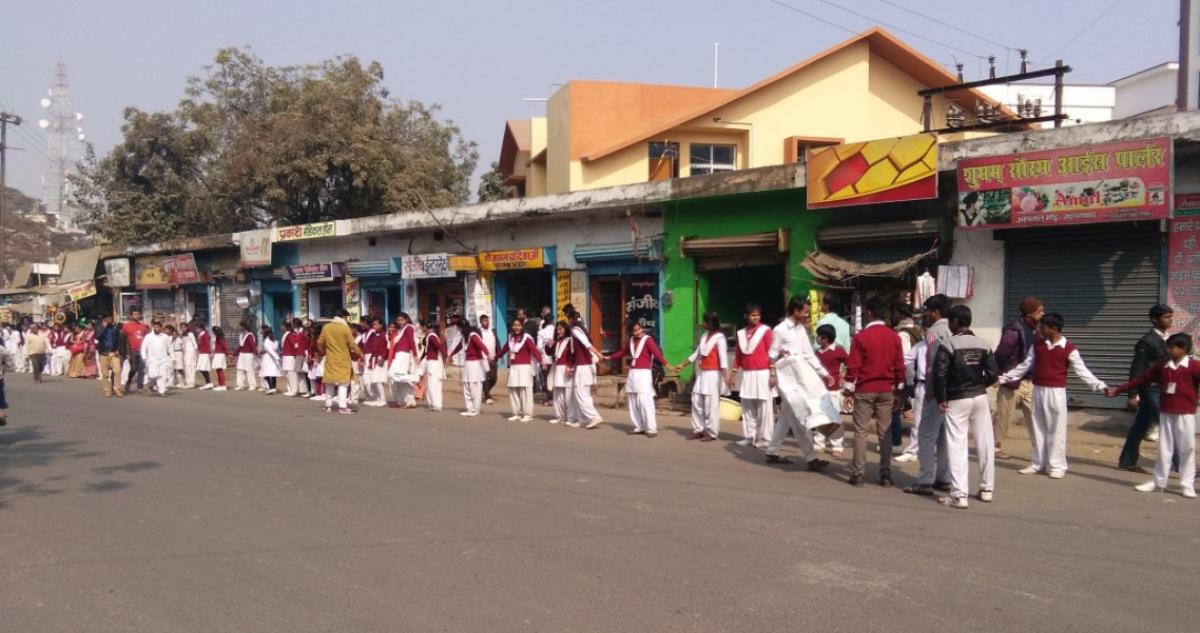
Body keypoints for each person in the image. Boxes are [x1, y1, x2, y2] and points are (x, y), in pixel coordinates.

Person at [998, 313, 1107, 479]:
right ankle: (1038, 462)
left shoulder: (1069, 349)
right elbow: (1025, 366)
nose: (1040, 330)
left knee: (1056, 429)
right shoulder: (1038, 346)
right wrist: (1005, 377)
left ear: (1054, 329)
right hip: (1038, 390)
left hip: (1056, 392)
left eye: (1044, 327)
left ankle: (1057, 465)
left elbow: (1082, 371)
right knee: (1038, 427)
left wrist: (1100, 386)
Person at [1106, 332, 1197, 499]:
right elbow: (1142, 379)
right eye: (1167, 347)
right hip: (1166, 411)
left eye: (1171, 347)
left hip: (1185, 413)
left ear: (1183, 349)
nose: (1168, 350)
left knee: (1187, 448)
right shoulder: (1163, 365)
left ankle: (1187, 484)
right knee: (1164, 447)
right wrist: (1119, 390)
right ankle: (1158, 481)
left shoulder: (1194, 366)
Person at [931, 305, 998, 508]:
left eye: (950, 321)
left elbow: (939, 373)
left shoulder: (948, 344)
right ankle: (987, 488)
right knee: (985, 443)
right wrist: (980, 386)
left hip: (956, 399)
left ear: (955, 322)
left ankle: (959, 495)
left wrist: (941, 399)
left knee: (957, 445)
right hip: (979, 397)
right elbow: (994, 374)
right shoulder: (983, 344)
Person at [764, 296, 832, 471]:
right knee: (799, 416)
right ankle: (811, 458)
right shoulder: (780, 330)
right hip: (786, 378)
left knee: (787, 415)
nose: (806, 315)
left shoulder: (801, 329)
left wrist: (824, 373)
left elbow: (809, 354)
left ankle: (771, 451)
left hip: (801, 376)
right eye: (804, 311)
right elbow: (771, 354)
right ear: (795, 311)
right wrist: (773, 374)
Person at [843, 297, 905, 487]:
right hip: (886, 389)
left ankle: (858, 474)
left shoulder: (861, 337)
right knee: (884, 433)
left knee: (861, 432)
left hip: (864, 389)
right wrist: (899, 388)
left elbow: (853, 366)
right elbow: (899, 366)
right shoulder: (894, 336)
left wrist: (847, 390)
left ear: (869, 314)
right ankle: (885, 474)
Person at [905, 294, 954, 496]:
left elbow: (935, 365)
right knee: (944, 437)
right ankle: (943, 478)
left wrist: (933, 393)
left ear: (935, 312)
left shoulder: (934, 333)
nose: (925, 314)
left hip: (935, 390)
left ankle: (924, 480)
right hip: (952, 391)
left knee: (925, 435)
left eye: (927, 310)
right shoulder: (954, 329)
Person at [1117, 304, 1173, 473]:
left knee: (1141, 426)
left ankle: (1127, 461)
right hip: (1150, 390)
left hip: (1162, 389)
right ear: (1155, 320)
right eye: (1166, 317)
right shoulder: (1147, 342)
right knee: (1168, 425)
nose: (1170, 319)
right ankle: (1185, 466)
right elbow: (1137, 369)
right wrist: (1132, 395)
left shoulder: (1167, 340)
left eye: (1171, 316)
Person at [993, 297, 1043, 461]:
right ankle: (995, 447)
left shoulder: (1038, 330)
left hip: (1031, 381)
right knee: (1004, 416)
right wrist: (997, 375)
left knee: (1036, 417)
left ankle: (1039, 450)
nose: (1043, 314)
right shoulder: (1014, 330)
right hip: (1013, 381)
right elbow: (1001, 354)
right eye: (1039, 311)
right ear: (1029, 314)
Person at [605, 322, 667, 437]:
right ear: (631, 332)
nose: (638, 332)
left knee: (645, 401)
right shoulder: (631, 341)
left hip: (644, 373)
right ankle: (639, 426)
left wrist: (667, 365)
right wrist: (608, 357)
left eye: (639, 329)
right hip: (633, 373)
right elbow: (622, 353)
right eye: (635, 330)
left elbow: (657, 353)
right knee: (633, 400)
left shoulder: (647, 339)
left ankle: (651, 428)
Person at [676, 311, 728, 442]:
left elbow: (723, 359)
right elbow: (696, 354)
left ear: (711, 323)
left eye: (705, 321)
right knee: (696, 401)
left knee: (711, 404)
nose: (703, 324)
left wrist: (726, 377)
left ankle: (711, 432)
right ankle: (698, 429)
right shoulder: (704, 336)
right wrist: (682, 365)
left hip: (713, 374)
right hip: (702, 373)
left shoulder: (720, 338)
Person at [731, 303, 773, 448]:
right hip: (747, 374)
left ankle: (765, 438)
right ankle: (750, 436)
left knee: (764, 407)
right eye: (752, 315)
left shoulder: (765, 331)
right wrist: (733, 374)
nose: (755, 317)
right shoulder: (741, 333)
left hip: (763, 373)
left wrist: (773, 373)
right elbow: (738, 356)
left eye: (757, 315)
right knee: (747, 406)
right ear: (746, 316)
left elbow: (771, 352)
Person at [316, 309, 362, 414]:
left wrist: (323, 351)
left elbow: (320, 342)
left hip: (330, 358)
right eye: (346, 317)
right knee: (343, 383)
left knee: (329, 383)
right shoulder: (345, 328)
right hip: (343, 359)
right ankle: (342, 406)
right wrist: (360, 353)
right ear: (343, 317)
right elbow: (352, 344)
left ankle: (328, 405)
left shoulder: (326, 327)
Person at [497, 318, 543, 422]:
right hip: (513, 367)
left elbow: (534, 351)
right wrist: (495, 357)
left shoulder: (527, 338)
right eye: (514, 325)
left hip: (524, 368)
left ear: (522, 326)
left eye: (518, 325)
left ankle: (527, 414)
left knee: (524, 391)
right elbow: (504, 349)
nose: (516, 327)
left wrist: (541, 361)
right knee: (513, 390)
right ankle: (516, 412)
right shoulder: (511, 338)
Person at [813, 324, 848, 456]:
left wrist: (844, 377)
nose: (816, 339)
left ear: (826, 338)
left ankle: (837, 446)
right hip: (819, 389)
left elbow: (850, 363)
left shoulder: (838, 351)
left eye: (819, 336)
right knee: (819, 417)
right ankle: (819, 443)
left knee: (834, 417)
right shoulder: (816, 353)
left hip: (833, 389)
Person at [566, 307, 603, 429]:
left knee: (580, 393)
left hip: (584, 366)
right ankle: (583, 419)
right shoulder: (580, 330)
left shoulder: (576, 330)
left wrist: (598, 353)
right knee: (584, 393)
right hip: (584, 365)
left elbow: (587, 345)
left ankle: (593, 416)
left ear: (571, 319)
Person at [895, 336, 928, 463]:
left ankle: (927, 449)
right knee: (918, 419)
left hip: (936, 384)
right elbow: (906, 359)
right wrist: (911, 376)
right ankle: (913, 450)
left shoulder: (942, 343)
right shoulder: (921, 345)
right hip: (923, 383)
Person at [451, 321, 491, 417]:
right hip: (467, 364)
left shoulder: (473, 336)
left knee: (475, 386)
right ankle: (470, 408)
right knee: (467, 385)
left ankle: (476, 409)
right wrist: (450, 355)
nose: (459, 331)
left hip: (476, 364)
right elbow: (458, 347)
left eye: (460, 328)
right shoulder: (464, 338)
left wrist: (488, 354)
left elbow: (482, 346)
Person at [545, 321, 575, 425]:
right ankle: (559, 416)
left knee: (568, 395)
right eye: (557, 329)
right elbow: (549, 353)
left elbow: (572, 355)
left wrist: (570, 366)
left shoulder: (570, 340)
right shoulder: (557, 341)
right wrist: (548, 345)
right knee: (557, 394)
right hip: (557, 368)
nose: (559, 331)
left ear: (565, 329)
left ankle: (570, 417)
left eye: (561, 329)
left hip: (566, 368)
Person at [388, 313, 419, 408]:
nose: (400, 322)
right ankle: (405, 401)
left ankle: (414, 378)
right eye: (398, 320)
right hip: (399, 354)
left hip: (403, 354)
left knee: (393, 374)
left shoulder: (409, 327)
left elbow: (411, 342)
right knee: (399, 380)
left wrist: (415, 355)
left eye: (402, 320)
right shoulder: (401, 329)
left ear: (406, 319)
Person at [419, 316, 447, 411]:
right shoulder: (431, 336)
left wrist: (446, 357)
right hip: (431, 362)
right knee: (432, 384)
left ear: (427, 327)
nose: (422, 329)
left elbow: (440, 347)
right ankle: (432, 404)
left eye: (423, 326)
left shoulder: (432, 337)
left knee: (434, 384)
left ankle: (436, 405)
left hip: (433, 363)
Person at [360, 318, 388, 407]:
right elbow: (373, 349)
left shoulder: (384, 335)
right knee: (374, 380)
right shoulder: (375, 335)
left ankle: (383, 400)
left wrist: (383, 358)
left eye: (376, 324)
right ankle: (378, 399)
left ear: (381, 325)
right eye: (373, 325)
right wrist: (370, 360)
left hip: (381, 359)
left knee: (378, 380)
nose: (374, 326)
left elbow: (388, 348)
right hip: (374, 359)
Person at [141, 321, 174, 397]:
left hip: (163, 360)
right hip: (151, 360)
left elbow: (170, 347)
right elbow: (143, 347)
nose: (156, 328)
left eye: (158, 327)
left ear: (161, 328)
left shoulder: (165, 337)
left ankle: (162, 391)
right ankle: (147, 386)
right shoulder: (148, 336)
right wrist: (144, 357)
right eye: (155, 327)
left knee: (162, 375)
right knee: (152, 375)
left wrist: (173, 356)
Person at [122, 310, 150, 394]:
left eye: (138, 314)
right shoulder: (126, 326)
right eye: (135, 314)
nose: (137, 316)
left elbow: (147, 339)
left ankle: (140, 387)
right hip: (132, 351)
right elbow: (123, 339)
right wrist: (126, 352)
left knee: (141, 369)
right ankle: (128, 382)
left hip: (141, 351)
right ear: (131, 316)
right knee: (133, 368)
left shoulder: (143, 326)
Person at [95, 315, 122, 397]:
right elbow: (97, 337)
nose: (109, 320)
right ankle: (107, 390)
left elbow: (118, 339)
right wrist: (104, 327)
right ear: (104, 320)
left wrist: (117, 349)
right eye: (107, 319)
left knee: (117, 370)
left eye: (110, 319)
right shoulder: (98, 327)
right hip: (103, 353)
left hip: (113, 353)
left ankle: (117, 389)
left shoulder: (114, 328)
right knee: (105, 374)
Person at [535, 306, 555, 401]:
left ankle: (550, 397)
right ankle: (550, 397)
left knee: (548, 377)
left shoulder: (551, 328)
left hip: (549, 357)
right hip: (548, 357)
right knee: (549, 377)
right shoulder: (543, 327)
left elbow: (539, 346)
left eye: (548, 314)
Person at [479, 314, 499, 405]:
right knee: (485, 377)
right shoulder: (479, 332)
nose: (486, 323)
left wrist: (500, 355)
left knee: (494, 378)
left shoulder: (492, 331)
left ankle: (486, 391)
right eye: (484, 321)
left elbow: (497, 342)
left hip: (493, 357)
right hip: (483, 358)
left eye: (487, 321)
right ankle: (487, 396)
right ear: (481, 322)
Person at [235, 320, 258, 391]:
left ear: (244, 327)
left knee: (249, 370)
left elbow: (253, 345)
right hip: (242, 355)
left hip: (248, 355)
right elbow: (240, 346)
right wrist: (234, 353)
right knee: (240, 369)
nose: (239, 327)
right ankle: (241, 384)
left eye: (240, 326)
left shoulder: (249, 335)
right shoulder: (241, 335)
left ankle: (252, 385)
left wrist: (256, 354)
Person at [258, 325, 281, 395]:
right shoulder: (275, 340)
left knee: (265, 373)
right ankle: (273, 387)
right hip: (272, 358)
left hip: (268, 358)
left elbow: (270, 350)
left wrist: (277, 357)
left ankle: (271, 387)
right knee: (273, 373)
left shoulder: (267, 340)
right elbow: (275, 348)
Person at [195, 322, 214, 390]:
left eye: (197, 328)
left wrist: (210, 352)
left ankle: (208, 382)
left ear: (201, 328)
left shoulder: (205, 335)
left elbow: (207, 344)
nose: (196, 330)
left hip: (205, 353)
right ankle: (207, 382)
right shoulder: (199, 335)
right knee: (200, 368)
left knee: (203, 368)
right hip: (201, 353)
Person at [179, 321, 198, 389]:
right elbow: (182, 343)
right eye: (182, 327)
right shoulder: (183, 334)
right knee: (186, 366)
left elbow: (194, 343)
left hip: (191, 351)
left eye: (184, 327)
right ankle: (188, 382)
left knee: (190, 366)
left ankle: (191, 383)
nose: (183, 328)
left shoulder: (190, 334)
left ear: (187, 327)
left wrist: (196, 352)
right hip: (185, 352)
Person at [210, 326, 229, 391]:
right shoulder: (217, 338)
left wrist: (227, 354)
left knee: (220, 370)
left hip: (220, 355)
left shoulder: (221, 338)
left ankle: (223, 385)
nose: (212, 332)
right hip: (217, 354)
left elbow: (224, 346)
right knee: (217, 370)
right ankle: (220, 384)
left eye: (213, 331)